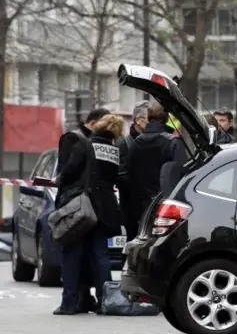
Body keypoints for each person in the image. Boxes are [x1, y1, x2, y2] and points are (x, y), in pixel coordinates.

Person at [54, 114, 126, 315]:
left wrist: (57, 181)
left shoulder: (85, 144)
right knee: (100, 255)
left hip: (83, 208)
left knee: (72, 253)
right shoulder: (114, 150)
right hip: (105, 209)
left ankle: (69, 303)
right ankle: (105, 300)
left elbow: (69, 171)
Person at [125, 101, 187, 230]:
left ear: (148, 117)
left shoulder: (135, 144)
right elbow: (182, 178)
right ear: (166, 117)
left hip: (140, 209)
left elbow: (128, 175)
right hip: (166, 210)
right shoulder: (173, 143)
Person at [118, 101, 148, 241]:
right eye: (149, 119)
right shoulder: (125, 143)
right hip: (131, 206)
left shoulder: (153, 140)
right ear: (138, 120)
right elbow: (121, 175)